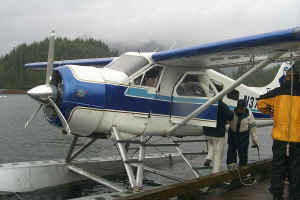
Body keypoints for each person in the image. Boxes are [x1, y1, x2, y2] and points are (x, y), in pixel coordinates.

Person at [257, 62, 300, 200]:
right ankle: (295, 196)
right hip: (298, 140)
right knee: (296, 169)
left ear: (288, 76)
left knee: (278, 168)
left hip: (280, 139)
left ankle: (277, 195)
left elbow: (260, 103)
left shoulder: (278, 92)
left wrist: (272, 112)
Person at [203, 98, 233, 173]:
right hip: (218, 133)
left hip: (207, 132)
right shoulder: (223, 106)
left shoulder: (207, 102)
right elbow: (230, 116)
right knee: (218, 155)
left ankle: (209, 158)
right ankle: (215, 175)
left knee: (211, 145)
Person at [226, 99, 257, 168]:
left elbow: (253, 128)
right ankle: (231, 170)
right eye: (239, 108)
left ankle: (243, 173)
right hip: (232, 135)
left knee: (243, 157)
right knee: (230, 156)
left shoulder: (249, 115)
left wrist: (254, 139)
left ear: (245, 107)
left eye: (241, 108)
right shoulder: (232, 112)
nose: (240, 110)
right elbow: (226, 121)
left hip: (243, 136)